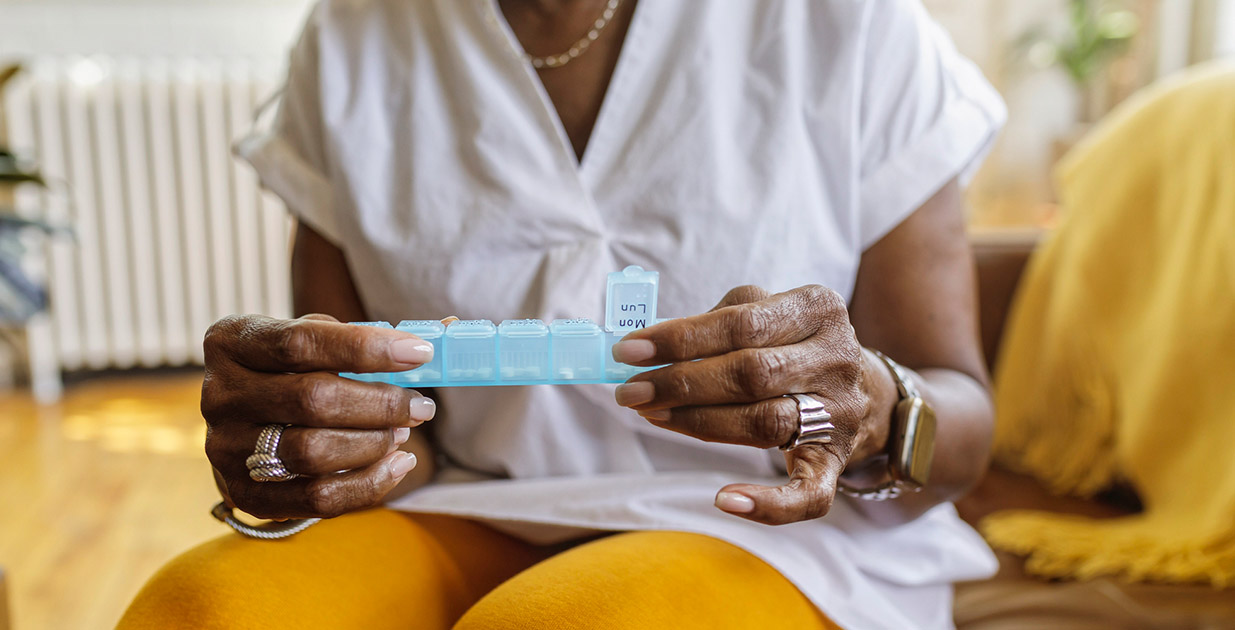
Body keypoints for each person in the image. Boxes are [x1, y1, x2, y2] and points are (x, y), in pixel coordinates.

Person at [119, 1, 1006, 628]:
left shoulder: (850, 25)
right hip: (471, 513)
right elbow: (383, 425)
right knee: (202, 613)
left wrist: (871, 403)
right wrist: (301, 443)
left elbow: (961, 414)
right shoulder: (351, 39)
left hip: (776, 535)